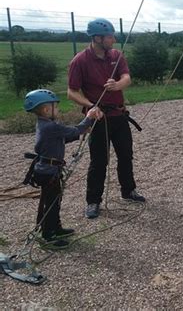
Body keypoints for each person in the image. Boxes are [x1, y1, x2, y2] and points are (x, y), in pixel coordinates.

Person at [67, 18, 145, 219]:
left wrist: (118, 85)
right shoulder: (80, 61)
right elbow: (71, 92)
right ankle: (93, 201)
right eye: (110, 37)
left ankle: (128, 191)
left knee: (126, 155)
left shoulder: (116, 56)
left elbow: (126, 77)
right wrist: (90, 106)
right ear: (97, 38)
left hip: (119, 115)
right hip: (98, 119)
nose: (113, 40)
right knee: (99, 161)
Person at [23, 89, 102, 248]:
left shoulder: (44, 125)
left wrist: (80, 131)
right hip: (49, 172)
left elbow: (62, 138)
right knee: (51, 204)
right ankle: (49, 235)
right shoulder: (50, 127)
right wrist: (88, 118)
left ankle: (55, 228)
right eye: (55, 107)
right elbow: (73, 131)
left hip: (48, 171)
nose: (58, 110)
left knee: (55, 201)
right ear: (46, 110)